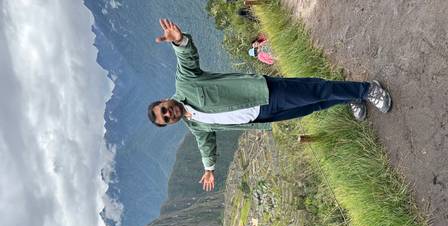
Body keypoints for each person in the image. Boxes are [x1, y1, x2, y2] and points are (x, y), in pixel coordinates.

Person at [148, 19, 392, 191]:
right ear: (170, 123)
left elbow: (188, 59)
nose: (169, 113)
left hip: (262, 93)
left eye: (164, 110)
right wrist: (209, 168)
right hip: (262, 117)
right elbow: (205, 143)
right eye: (166, 118)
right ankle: (350, 97)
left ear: (163, 101)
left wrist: (179, 42)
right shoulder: (194, 124)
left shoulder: (185, 83)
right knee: (312, 106)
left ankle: (369, 89)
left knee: (314, 90)